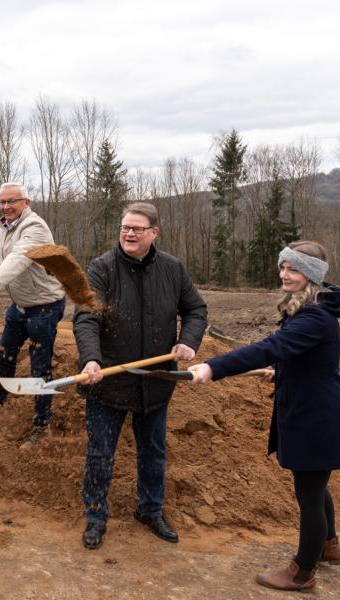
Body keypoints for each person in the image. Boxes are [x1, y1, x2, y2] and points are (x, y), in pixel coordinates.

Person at [188, 241, 340, 592]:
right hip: (311, 408)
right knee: (315, 485)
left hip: (316, 416)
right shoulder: (310, 310)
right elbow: (295, 354)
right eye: (282, 267)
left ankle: (302, 572)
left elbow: (272, 346)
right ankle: (329, 545)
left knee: (308, 494)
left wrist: (214, 367)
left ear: (311, 275)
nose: (284, 274)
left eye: (293, 269)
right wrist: (281, 369)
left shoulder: (315, 317)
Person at [73, 202, 207, 549]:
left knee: (153, 452)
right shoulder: (102, 269)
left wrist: (187, 341)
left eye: (137, 229)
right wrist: (90, 359)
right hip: (109, 382)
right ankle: (95, 517)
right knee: (100, 454)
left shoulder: (173, 270)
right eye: (124, 228)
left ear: (153, 233)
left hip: (156, 381)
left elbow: (195, 309)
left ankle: (150, 511)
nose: (129, 234)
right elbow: (87, 317)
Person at [0, 182, 66, 447]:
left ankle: (41, 423)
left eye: (12, 201)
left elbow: (18, 260)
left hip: (44, 307)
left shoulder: (34, 228)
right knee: (4, 352)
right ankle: (0, 394)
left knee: (40, 366)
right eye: (2, 202)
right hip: (20, 306)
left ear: (26, 202)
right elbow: (0, 259)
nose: (6, 206)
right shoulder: (5, 226)